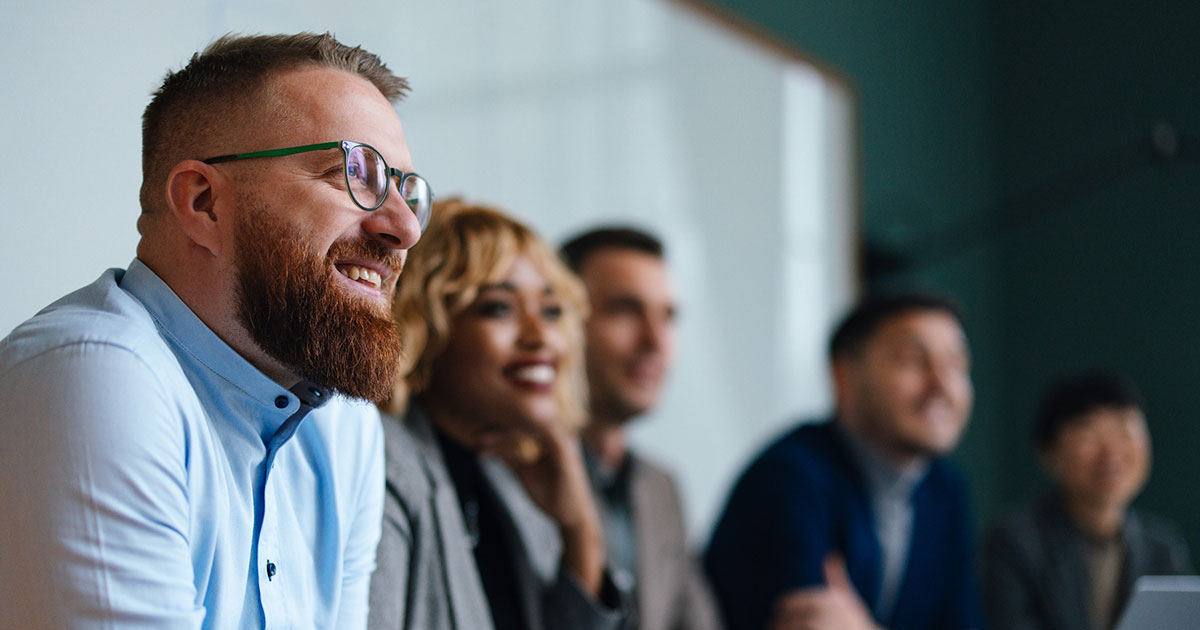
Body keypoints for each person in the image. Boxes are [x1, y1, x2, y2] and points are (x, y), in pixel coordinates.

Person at [0, 33, 432, 629]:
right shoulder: (93, 372)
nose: (404, 228)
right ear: (203, 202)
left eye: (407, 192)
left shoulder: (345, 426)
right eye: (355, 176)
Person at [368, 199, 628, 630]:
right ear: (428, 330)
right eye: (499, 308)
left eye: (550, 310)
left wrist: (581, 529)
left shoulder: (511, 476)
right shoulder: (384, 464)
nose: (540, 336)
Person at [705, 293, 981, 630]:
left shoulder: (944, 487)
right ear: (844, 375)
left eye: (956, 365)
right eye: (913, 361)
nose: (942, 385)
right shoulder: (790, 478)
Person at [560, 227, 724, 630]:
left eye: (667, 316)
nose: (655, 340)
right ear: (561, 319)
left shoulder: (662, 488)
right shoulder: (517, 471)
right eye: (625, 309)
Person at [981, 371, 1193, 630]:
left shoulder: (1163, 548)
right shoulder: (1013, 543)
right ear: (1048, 453)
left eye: (1125, 430)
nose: (1111, 451)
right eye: (1089, 434)